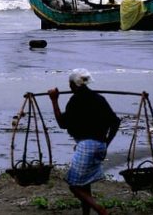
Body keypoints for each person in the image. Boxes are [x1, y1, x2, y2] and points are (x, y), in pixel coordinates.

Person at [48, 69, 120, 215]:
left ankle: (101, 210)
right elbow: (115, 122)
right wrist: (106, 143)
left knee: (74, 185)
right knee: (84, 183)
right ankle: (85, 213)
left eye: (70, 84)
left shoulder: (75, 101)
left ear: (74, 85)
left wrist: (54, 100)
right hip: (99, 145)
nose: (69, 87)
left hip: (87, 146)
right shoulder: (99, 98)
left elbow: (62, 123)